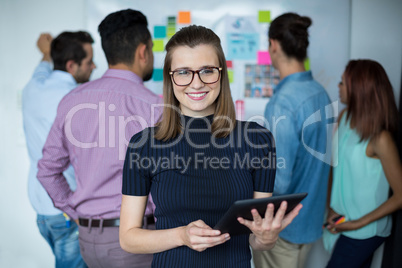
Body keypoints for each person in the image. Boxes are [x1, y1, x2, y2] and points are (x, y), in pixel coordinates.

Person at [119, 25, 302, 268]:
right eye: (183, 72)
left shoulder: (258, 140)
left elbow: (257, 240)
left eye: (207, 70)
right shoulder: (143, 145)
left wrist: (266, 237)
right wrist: (181, 235)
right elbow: (128, 238)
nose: (196, 83)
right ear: (170, 77)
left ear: (221, 74)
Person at [37, 9, 162, 267]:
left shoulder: (72, 100)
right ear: (143, 51)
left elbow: (47, 170)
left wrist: (77, 212)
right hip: (135, 242)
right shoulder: (154, 107)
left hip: (88, 241)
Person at [253, 13, 332, 268]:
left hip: (283, 231)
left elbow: (279, 181)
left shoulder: (283, 102)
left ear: (273, 45)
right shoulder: (320, 92)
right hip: (310, 223)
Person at [22, 31, 95, 267]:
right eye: (89, 61)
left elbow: (44, 68)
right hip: (68, 209)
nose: (94, 66)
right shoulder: (77, 99)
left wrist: (46, 53)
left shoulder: (33, 87)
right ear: (72, 65)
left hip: (42, 210)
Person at [324, 59, 402, 268]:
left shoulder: (380, 138)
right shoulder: (344, 117)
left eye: (342, 83)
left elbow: (401, 195)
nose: (338, 87)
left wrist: (358, 223)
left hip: (366, 230)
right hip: (342, 222)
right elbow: (335, 167)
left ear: (359, 88)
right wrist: (330, 208)